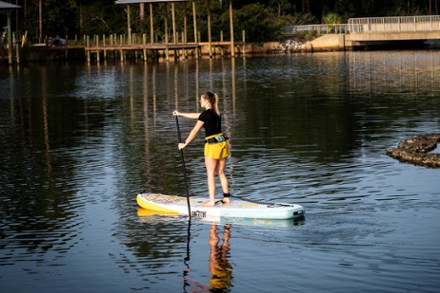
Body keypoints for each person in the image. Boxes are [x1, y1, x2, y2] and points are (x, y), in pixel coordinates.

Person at [173, 91, 231, 206]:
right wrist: (180, 114)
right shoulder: (217, 113)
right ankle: (226, 198)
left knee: (210, 174)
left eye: (201, 99)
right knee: (220, 172)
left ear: (207, 101)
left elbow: (194, 131)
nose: (200, 101)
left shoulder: (205, 115)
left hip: (212, 146)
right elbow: (198, 115)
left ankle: (211, 201)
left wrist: (184, 144)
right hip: (223, 144)